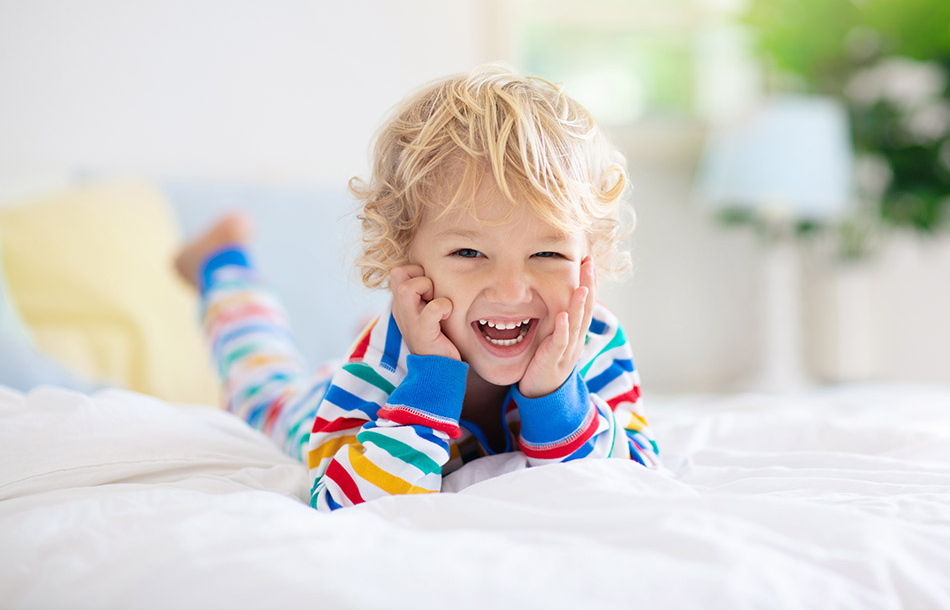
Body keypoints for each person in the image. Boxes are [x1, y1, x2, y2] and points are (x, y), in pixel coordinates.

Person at [174, 63, 660, 512]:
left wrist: (556, 398)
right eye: (469, 253)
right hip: (332, 399)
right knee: (264, 388)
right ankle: (223, 265)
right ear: (404, 256)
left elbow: (634, 482)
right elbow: (345, 504)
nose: (512, 291)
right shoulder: (385, 360)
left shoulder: (591, 340)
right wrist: (431, 383)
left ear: (588, 258)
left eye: (548, 255)